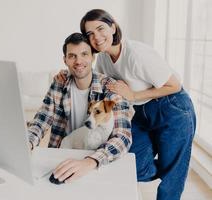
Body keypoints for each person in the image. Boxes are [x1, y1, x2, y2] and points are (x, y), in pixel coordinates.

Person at [55, 9, 196, 200]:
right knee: (128, 165)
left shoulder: (137, 54)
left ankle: (173, 169)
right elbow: (94, 82)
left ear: (113, 27)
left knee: (172, 179)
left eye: (100, 28)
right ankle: (171, 165)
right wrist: (67, 75)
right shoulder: (104, 58)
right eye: (90, 34)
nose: (96, 37)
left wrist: (133, 95)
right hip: (141, 112)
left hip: (172, 107)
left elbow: (174, 85)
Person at [27, 32, 133, 183]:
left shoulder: (110, 87)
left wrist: (91, 161)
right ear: (65, 60)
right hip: (63, 154)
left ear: (93, 57)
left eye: (84, 54)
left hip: (96, 159)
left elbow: (123, 136)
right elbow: (41, 120)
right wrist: (29, 142)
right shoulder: (59, 84)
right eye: (72, 56)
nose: (79, 61)